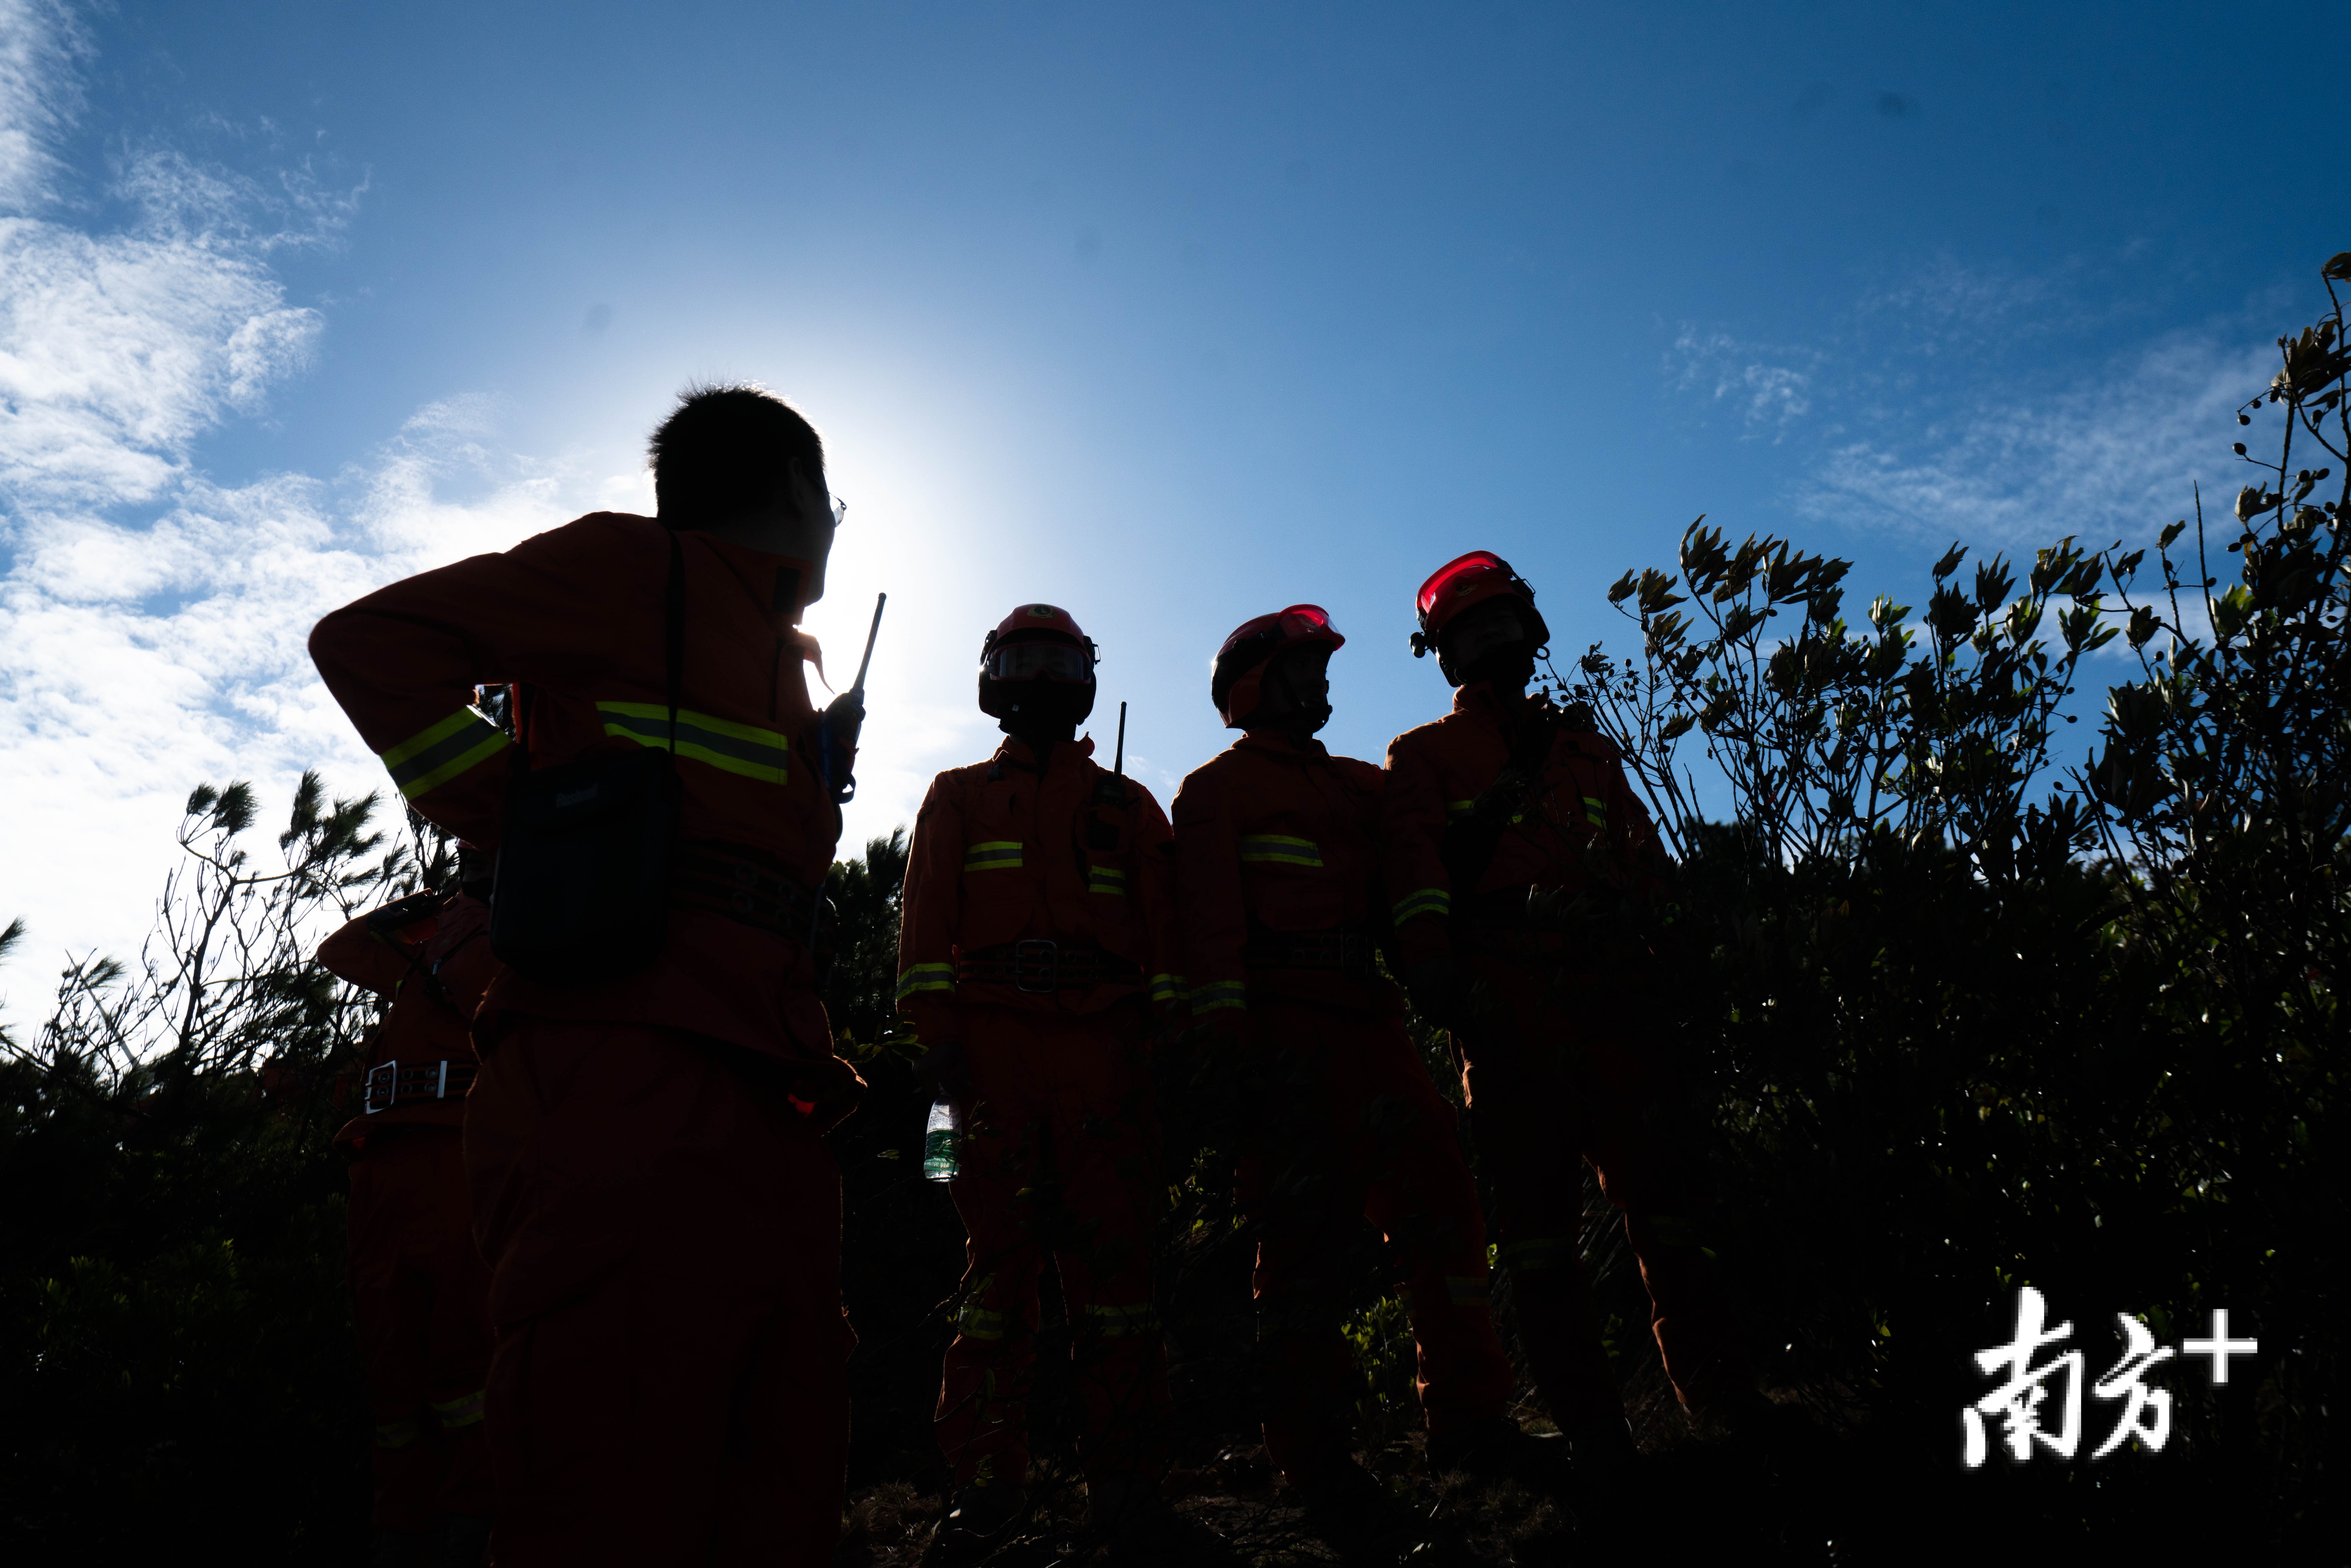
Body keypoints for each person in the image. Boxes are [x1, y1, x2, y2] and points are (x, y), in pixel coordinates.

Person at [309, 385, 867, 1567]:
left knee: (784, 1454)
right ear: (792, 490)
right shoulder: (629, 567)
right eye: (830, 501)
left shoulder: (783, 656)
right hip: (616, 1066)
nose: (833, 526)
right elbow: (365, 643)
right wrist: (517, 805)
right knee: (604, 1472)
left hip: (771, 1086)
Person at [1382, 550, 1757, 1469]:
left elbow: (1641, 860)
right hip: (1506, 1002)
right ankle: (1595, 1429)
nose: (1490, 640)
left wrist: (1673, 949)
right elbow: (1415, 880)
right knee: (1541, 1235)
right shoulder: (1424, 755)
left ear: (1530, 631)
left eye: (1500, 623)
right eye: (1470, 630)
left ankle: (1718, 1403)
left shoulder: (1587, 748)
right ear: (1444, 653)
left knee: (1665, 1206)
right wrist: (1440, 980)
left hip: (1611, 993)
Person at [1172, 606, 1539, 1518]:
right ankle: (1316, 1461)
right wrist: (1231, 1054)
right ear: (1257, 685)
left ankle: (1469, 1423)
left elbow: (1421, 872)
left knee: (1445, 1211)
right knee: (1301, 1252)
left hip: (1371, 1025)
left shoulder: (1360, 787)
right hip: (1283, 1035)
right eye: (1305, 668)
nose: (1322, 681)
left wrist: (1490, 816)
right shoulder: (1212, 792)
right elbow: (1207, 937)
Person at [894, 604, 1182, 1557]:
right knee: (996, 1274)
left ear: (1085, 678)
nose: (1042, 678)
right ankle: (987, 1482)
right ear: (993, 679)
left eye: (1058, 661)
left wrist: (1165, 1046)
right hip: (991, 1059)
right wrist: (939, 1046)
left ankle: (1128, 1479)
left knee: (1116, 1276)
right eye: (1025, 660)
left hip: (1103, 1054)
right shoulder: (957, 796)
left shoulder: (1130, 806)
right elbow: (924, 935)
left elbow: (1167, 942)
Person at [315, 852, 500, 1568]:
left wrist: (483, 906)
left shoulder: (525, 925)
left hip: (454, 1156)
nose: (474, 858)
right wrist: (435, 905)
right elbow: (342, 952)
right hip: (380, 1165)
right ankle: (402, 1539)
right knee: (390, 1377)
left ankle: (472, 1539)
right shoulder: (434, 936)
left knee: (465, 1363)